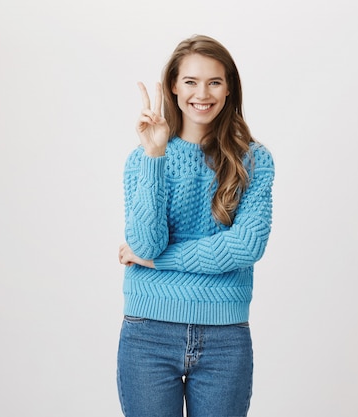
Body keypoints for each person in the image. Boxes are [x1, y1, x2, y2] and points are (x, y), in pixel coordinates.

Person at [117, 34, 275, 417]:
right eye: (190, 81)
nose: (201, 93)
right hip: (148, 333)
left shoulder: (254, 160)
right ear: (174, 85)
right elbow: (145, 243)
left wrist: (160, 263)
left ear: (229, 88)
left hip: (225, 337)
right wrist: (155, 156)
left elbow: (246, 246)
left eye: (214, 82)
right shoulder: (142, 159)